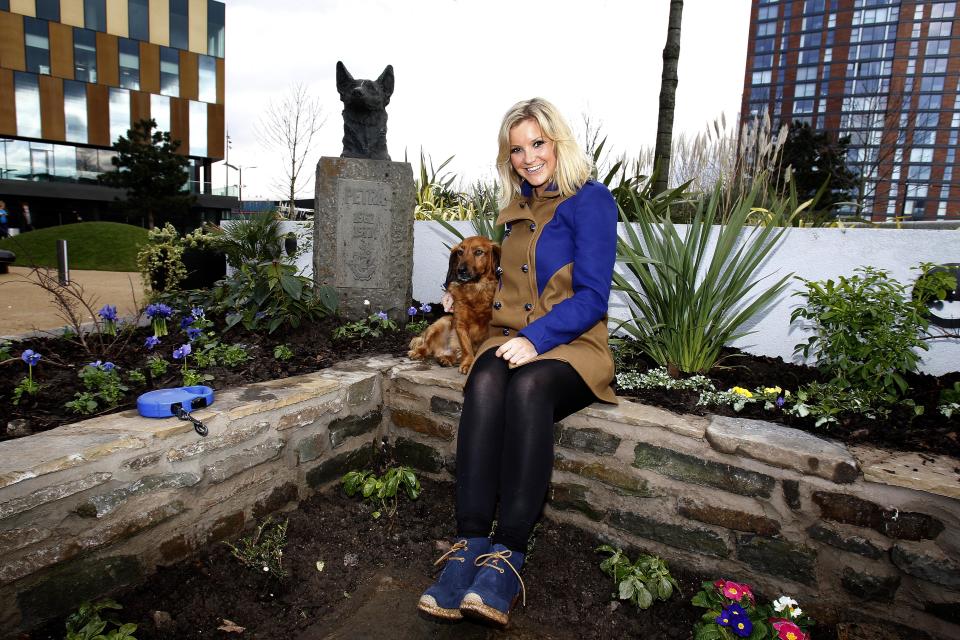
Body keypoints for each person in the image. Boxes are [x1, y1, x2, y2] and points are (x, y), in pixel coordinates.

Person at [418, 98, 618, 625]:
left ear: (558, 143)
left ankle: (508, 555)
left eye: (537, 144)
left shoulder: (591, 201)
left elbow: (593, 296)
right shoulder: (514, 213)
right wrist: (455, 293)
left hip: (573, 343)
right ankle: (468, 544)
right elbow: (506, 282)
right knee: (484, 378)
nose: (528, 158)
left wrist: (537, 338)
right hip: (512, 338)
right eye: (517, 149)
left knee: (527, 388)